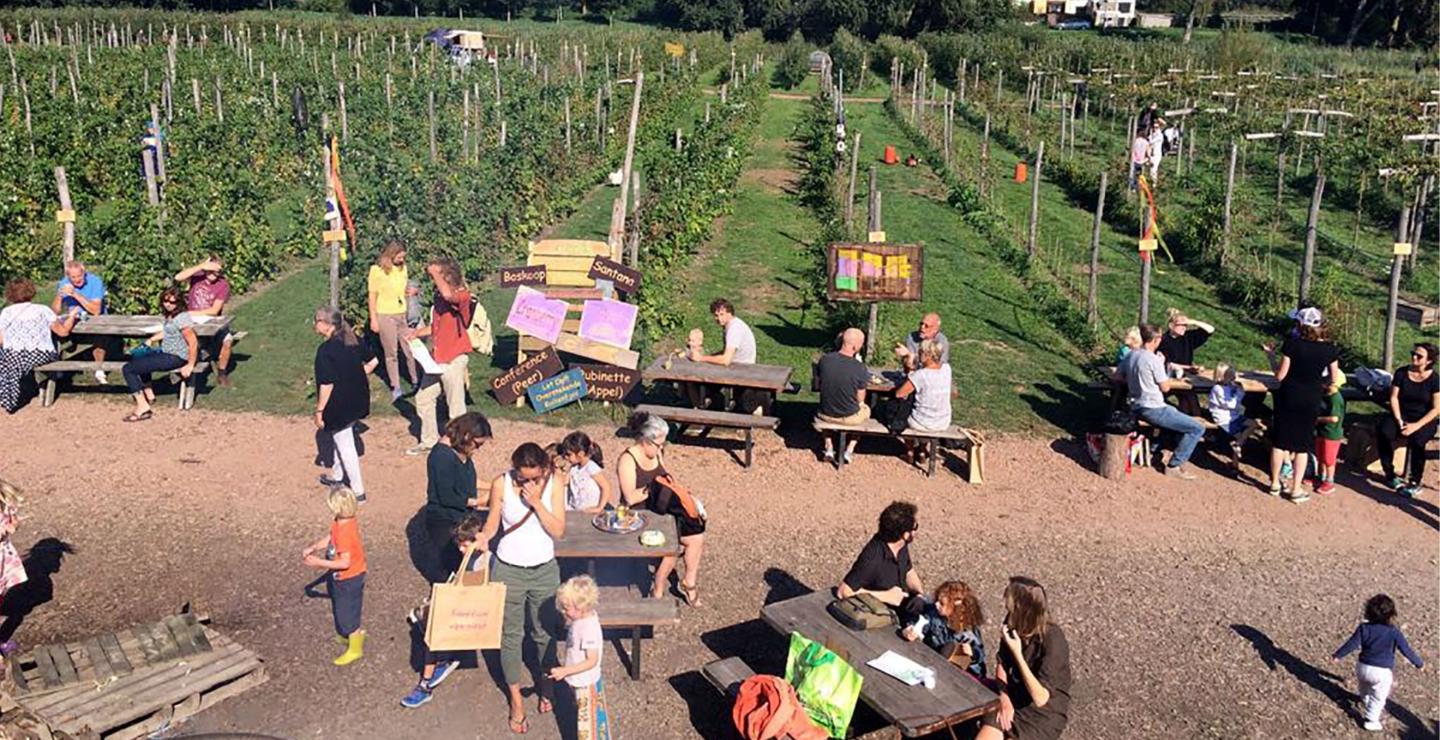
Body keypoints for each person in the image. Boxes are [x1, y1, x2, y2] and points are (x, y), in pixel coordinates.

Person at [474, 443, 567, 735]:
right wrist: (484, 536)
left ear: (544, 469)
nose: (527, 483)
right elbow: (493, 523)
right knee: (510, 636)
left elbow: (558, 530)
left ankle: (546, 684)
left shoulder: (555, 483)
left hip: (543, 570)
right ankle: (515, 699)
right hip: (508, 569)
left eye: (533, 478)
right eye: (521, 477)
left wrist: (537, 502)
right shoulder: (500, 483)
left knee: (544, 632)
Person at [400, 510, 487, 709]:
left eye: (465, 545)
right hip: (460, 600)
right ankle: (429, 677)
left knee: (434, 633)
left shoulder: (481, 556)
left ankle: (426, 685)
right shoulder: (468, 556)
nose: (461, 549)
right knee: (434, 631)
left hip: (465, 603)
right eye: (459, 545)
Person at [618, 413, 706, 606]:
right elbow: (630, 498)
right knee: (671, 544)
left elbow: (668, 480)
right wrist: (653, 489)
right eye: (659, 444)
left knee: (696, 537)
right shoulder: (627, 460)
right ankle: (657, 588)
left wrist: (689, 499)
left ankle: (689, 582)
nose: (661, 448)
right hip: (638, 515)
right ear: (646, 441)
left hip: (661, 510)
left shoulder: (657, 453)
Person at [977, 577, 1072, 740]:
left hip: (1042, 715)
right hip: (1014, 698)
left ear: (1023, 610)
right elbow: (1002, 663)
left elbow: (1041, 698)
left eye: (1011, 608)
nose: (1007, 612)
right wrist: (1004, 697)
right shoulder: (1012, 623)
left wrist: (1018, 654)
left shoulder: (1052, 640)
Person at [1265, 307, 1340, 502]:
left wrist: (1271, 357)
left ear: (1300, 324)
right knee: (1302, 445)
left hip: (1288, 395)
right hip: (1311, 397)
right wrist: (1321, 384)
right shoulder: (1330, 349)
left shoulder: (1292, 345)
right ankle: (1296, 489)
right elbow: (1333, 377)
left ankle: (1275, 483)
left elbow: (1280, 375)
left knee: (1280, 441)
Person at [406, 257, 473, 456]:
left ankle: (460, 445)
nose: (433, 280)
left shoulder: (462, 295)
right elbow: (437, 326)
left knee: (455, 407)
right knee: (424, 398)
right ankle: (429, 441)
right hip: (437, 359)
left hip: (453, 357)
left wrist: (435, 271)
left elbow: (448, 294)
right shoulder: (439, 298)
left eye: (437, 276)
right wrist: (417, 333)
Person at [1120, 324, 1205, 479]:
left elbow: (1117, 377)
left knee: (1176, 413)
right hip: (1153, 408)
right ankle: (1174, 465)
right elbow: (1165, 388)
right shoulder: (1153, 360)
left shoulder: (1131, 355)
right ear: (1156, 340)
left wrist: (1135, 381)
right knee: (1197, 428)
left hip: (1135, 404)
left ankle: (1156, 447)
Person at [312, 307, 379, 503]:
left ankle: (358, 492)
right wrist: (356, 374)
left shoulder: (326, 351)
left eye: (316, 320)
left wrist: (319, 410)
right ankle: (337, 476)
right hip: (358, 398)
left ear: (326, 325)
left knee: (345, 444)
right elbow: (373, 361)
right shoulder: (352, 339)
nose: (314, 324)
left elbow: (326, 384)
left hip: (339, 404)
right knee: (342, 437)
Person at [1332, 594, 1425, 733]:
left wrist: (1338, 655)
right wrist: (1419, 663)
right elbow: (1406, 650)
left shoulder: (1364, 628)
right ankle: (1371, 720)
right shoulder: (1394, 632)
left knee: (1364, 685)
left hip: (1362, 667)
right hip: (1381, 672)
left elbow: (1351, 644)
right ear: (1392, 615)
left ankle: (1365, 699)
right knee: (1379, 697)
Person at [422, 413, 492, 584]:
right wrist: (479, 502)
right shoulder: (441, 457)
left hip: (460, 517)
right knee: (449, 567)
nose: (478, 449)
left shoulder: (461, 450)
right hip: (445, 520)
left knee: (464, 564)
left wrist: (494, 486)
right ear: (467, 436)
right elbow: (447, 496)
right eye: (478, 444)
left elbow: (466, 479)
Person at [301, 486, 367, 666]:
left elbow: (345, 563)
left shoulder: (346, 532)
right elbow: (331, 537)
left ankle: (355, 647)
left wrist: (318, 562)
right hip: (341, 578)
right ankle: (349, 636)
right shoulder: (341, 521)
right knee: (342, 607)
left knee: (348, 616)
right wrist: (314, 547)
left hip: (349, 578)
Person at [548, 575, 613, 740]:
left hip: (586, 682)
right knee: (586, 716)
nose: (563, 611)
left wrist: (565, 671)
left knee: (588, 725)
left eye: (567, 608)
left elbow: (592, 660)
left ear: (581, 607)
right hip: (579, 679)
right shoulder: (581, 619)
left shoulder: (588, 628)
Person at [121, 287, 198, 422]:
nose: (168, 304)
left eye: (172, 302)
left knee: (128, 369)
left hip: (176, 357)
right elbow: (168, 332)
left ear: (179, 302)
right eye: (165, 301)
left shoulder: (182, 318)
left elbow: (193, 342)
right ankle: (149, 393)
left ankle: (142, 406)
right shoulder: (170, 316)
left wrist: (190, 365)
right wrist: (151, 340)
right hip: (166, 351)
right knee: (139, 355)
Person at [0, 279, 77, 413]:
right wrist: (72, 317)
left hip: (14, 355)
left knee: (7, 359)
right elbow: (63, 332)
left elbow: (2, 340)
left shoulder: (6, 312)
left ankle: (8, 397)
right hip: (40, 354)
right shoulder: (43, 310)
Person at [1375, 342, 1438, 498]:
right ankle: (1389, 473)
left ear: (1429, 361)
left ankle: (1415, 480)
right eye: (1413, 354)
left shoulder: (1434, 379)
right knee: (1384, 431)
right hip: (1401, 414)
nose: (1414, 357)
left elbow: (1436, 408)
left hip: (1423, 419)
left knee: (1418, 442)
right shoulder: (1402, 373)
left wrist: (1416, 426)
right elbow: (1394, 397)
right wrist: (1399, 419)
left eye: (1419, 356)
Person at [838, 501, 922, 609]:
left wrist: (920, 594)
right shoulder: (873, 557)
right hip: (878, 613)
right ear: (905, 535)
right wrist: (887, 596)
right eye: (915, 527)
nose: (916, 531)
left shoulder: (900, 545)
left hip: (901, 606)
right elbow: (843, 591)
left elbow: (908, 570)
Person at [368, 240, 420, 402]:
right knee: (391, 352)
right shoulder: (376, 271)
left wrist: (412, 291)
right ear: (391, 254)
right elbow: (372, 296)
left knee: (409, 348)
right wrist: (374, 319)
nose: (402, 260)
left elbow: (402, 288)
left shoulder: (402, 268)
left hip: (401, 313)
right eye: (399, 257)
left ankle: (416, 380)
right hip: (385, 315)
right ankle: (395, 386)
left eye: (403, 257)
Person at [685, 298, 759, 411]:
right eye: (716, 315)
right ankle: (705, 402)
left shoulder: (734, 329)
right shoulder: (731, 325)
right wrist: (710, 356)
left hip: (740, 368)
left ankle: (699, 407)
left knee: (693, 378)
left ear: (730, 313)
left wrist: (701, 358)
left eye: (722, 314)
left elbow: (725, 360)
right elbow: (727, 352)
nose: (719, 318)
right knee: (698, 374)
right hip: (738, 365)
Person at [902, 580, 986, 679]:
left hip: (962, 671)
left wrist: (972, 653)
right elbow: (923, 622)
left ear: (957, 609)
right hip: (935, 661)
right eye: (937, 600)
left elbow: (980, 655)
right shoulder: (934, 614)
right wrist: (911, 629)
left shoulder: (967, 632)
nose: (936, 604)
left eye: (942, 603)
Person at [174, 256, 236, 387]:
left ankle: (222, 372)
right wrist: (201, 266)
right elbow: (178, 278)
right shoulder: (197, 276)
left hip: (212, 320)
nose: (213, 274)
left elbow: (214, 310)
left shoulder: (223, 284)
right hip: (193, 320)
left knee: (228, 341)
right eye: (210, 270)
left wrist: (191, 313)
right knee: (184, 339)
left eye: (216, 271)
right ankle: (180, 368)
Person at [815, 328, 870, 464]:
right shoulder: (860, 368)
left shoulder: (824, 360)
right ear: (855, 347)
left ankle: (829, 446)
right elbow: (860, 399)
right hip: (849, 417)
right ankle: (849, 449)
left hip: (825, 414)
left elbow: (818, 384)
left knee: (824, 405)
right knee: (866, 410)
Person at [893, 339, 953, 465]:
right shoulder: (947, 369)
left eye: (921, 352)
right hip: (943, 421)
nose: (919, 354)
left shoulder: (921, 375)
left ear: (928, 355)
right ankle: (922, 450)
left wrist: (910, 371)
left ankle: (909, 451)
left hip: (922, 422)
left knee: (903, 414)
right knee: (926, 408)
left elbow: (900, 394)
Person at [51, 261, 109, 384]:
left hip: (94, 318)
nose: (77, 280)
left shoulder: (95, 282)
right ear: (68, 277)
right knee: (53, 330)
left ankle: (99, 369)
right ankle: (56, 366)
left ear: (84, 273)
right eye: (73, 277)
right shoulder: (64, 283)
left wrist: (75, 294)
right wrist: (59, 296)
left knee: (99, 335)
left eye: (79, 276)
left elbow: (96, 310)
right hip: (73, 317)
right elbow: (54, 311)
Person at [1208, 363, 1261, 464]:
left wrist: (1239, 389)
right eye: (1230, 376)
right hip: (1224, 419)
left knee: (1254, 424)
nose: (1233, 378)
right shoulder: (1218, 389)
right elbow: (1230, 404)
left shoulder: (1230, 386)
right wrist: (1239, 393)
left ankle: (1238, 444)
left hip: (1234, 416)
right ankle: (1235, 463)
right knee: (1240, 438)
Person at [559, 431, 616, 513]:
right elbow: (564, 482)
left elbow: (605, 487)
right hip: (577, 510)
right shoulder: (573, 469)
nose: (566, 457)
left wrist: (600, 507)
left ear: (580, 454)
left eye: (569, 454)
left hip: (591, 509)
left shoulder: (591, 467)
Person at [1312, 369, 1347, 495]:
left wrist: (1317, 419)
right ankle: (1320, 476)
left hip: (1332, 434)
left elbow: (1334, 418)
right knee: (1320, 455)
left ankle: (1329, 481)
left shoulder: (1335, 399)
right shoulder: (1326, 395)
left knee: (1329, 459)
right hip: (1322, 431)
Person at [1156, 308, 1214, 376]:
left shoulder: (1188, 337)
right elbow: (1168, 364)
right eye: (1181, 325)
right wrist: (1189, 367)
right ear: (1171, 325)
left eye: (1185, 325)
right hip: (1169, 374)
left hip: (1188, 374)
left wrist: (1193, 322)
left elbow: (1210, 330)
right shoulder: (1162, 340)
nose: (1184, 328)